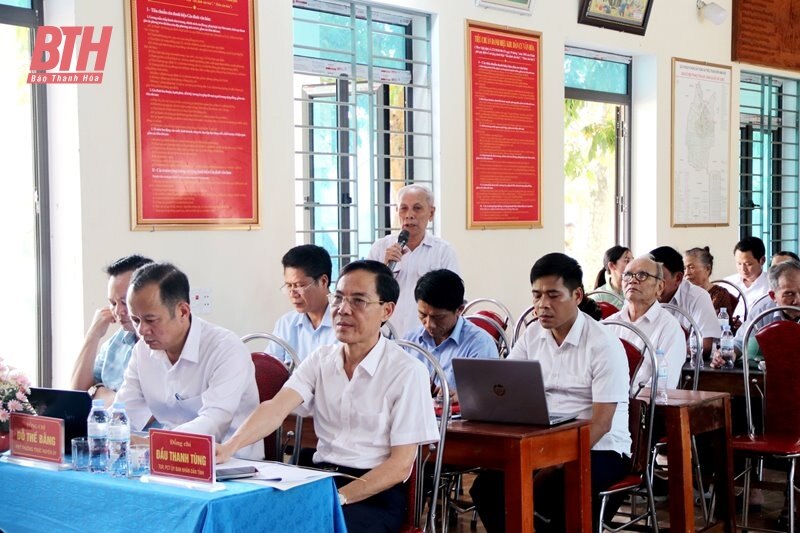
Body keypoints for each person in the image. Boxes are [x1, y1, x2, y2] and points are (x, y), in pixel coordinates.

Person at [216, 260, 439, 533]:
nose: (343, 310)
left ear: (386, 310)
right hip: (319, 478)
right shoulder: (321, 359)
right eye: (339, 298)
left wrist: (339, 499)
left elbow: (400, 465)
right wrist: (229, 447)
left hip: (373, 493)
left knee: (311, 526)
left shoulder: (406, 372)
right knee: (246, 516)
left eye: (358, 301)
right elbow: (276, 407)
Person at [470, 253, 630, 532]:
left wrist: (555, 462)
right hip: (542, 443)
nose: (542, 305)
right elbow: (504, 386)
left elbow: (602, 424)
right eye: (536, 295)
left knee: (555, 489)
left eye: (553, 295)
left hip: (599, 448)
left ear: (577, 295)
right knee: (488, 486)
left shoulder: (604, 344)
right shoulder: (532, 336)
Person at [116, 262, 262, 459]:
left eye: (150, 320)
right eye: (136, 321)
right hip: (168, 461)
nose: (142, 331)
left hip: (230, 466)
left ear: (183, 312)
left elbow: (213, 423)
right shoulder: (142, 350)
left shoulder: (226, 349)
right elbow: (124, 411)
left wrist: (154, 443)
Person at [368, 184, 459, 336]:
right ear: (397, 212)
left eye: (417, 208)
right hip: (385, 337)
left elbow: (453, 299)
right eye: (403, 208)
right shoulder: (380, 248)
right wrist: (384, 268)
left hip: (427, 338)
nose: (409, 215)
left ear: (431, 213)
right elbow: (366, 295)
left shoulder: (443, 251)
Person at [401, 269, 498, 400]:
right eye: (423, 315)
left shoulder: (479, 345)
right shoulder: (410, 341)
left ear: (459, 310)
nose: (429, 324)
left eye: (438, 317)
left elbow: (489, 396)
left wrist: (463, 397)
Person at [71, 254, 153, 404]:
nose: (118, 311)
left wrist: (103, 394)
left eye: (124, 302)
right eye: (113, 303)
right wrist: (93, 335)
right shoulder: (115, 343)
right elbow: (77, 393)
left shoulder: (164, 344)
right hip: (110, 427)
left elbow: (142, 410)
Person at [606, 255, 686, 389]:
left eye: (642, 275)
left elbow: (664, 384)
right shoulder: (610, 324)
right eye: (628, 275)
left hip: (643, 406)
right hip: (603, 401)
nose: (632, 280)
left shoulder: (670, 328)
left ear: (660, 287)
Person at [650, 246, 721, 358]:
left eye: (659, 277)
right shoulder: (640, 294)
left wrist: (668, 352)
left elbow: (706, 345)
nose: (652, 284)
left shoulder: (698, 297)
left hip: (687, 367)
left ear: (678, 278)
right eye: (648, 276)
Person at [269, 244, 336, 364]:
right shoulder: (286, 324)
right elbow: (271, 369)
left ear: (323, 281)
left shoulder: (345, 323)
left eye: (300, 285)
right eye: (289, 286)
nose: (293, 293)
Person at [729, 259, 800, 366]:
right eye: (789, 294)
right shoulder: (762, 310)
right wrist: (728, 355)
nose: (798, 300)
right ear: (773, 296)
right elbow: (740, 342)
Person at [684, 247, 739, 330]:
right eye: (684, 268)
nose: (686, 273)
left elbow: (707, 324)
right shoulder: (683, 293)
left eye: (691, 267)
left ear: (707, 269)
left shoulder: (719, 294)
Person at [724, 236, 769, 320]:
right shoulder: (727, 284)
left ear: (762, 260)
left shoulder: (771, 284)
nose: (743, 269)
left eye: (748, 264)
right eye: (739, 263)